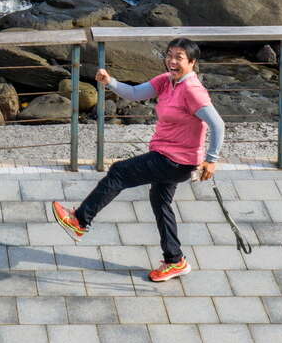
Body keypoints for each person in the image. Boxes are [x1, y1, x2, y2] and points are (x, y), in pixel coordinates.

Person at [50, 37, 225, 283]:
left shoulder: (192, 90)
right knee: (160, 201)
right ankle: (175, 260)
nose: (172, 61)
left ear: (192, 63)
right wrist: (110, 82)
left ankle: (79, 220)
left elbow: (218, 124)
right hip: (168, 155)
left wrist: (211, 159)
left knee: (119, 172)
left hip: (176, 161)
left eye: (179, 58)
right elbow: (134, 93)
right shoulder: (166, 81)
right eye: (169, 55)